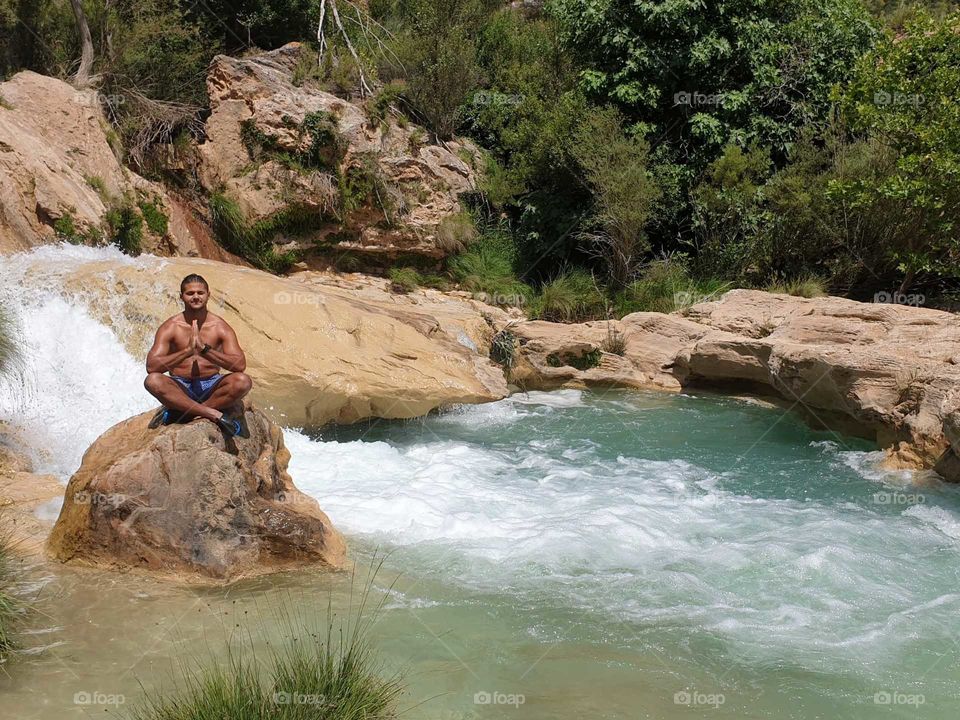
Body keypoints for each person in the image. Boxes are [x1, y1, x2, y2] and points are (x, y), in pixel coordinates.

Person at [144, 273, 253, 437]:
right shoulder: (170, 327)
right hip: (181, 385)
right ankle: (212, 413)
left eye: (200, 293)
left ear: (208, 295)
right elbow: (152, 367)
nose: (196, 297)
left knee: (243, 382)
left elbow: (239, 366)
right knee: (152, 381)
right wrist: (187, 351)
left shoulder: (220, 327)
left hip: (212, 385)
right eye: (190, 293)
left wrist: (204, 350)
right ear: (181, 296)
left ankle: (187, 413)